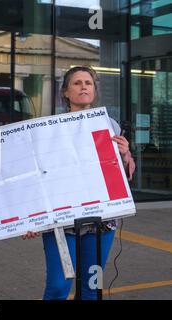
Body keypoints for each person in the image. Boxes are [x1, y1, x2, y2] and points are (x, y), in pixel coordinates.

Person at [23, 66, 135, 300]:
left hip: (100, 223)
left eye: (88, 83)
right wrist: (30, 216)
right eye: (77, 83)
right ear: (65, 92)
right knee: (57, 286)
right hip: (61, 223)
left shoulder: (110, 125)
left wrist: (125, 156)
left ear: (94, 90)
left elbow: (123, 176)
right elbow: (38, 176)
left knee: (92, 289)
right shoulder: (50, 129)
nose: (84, 86)